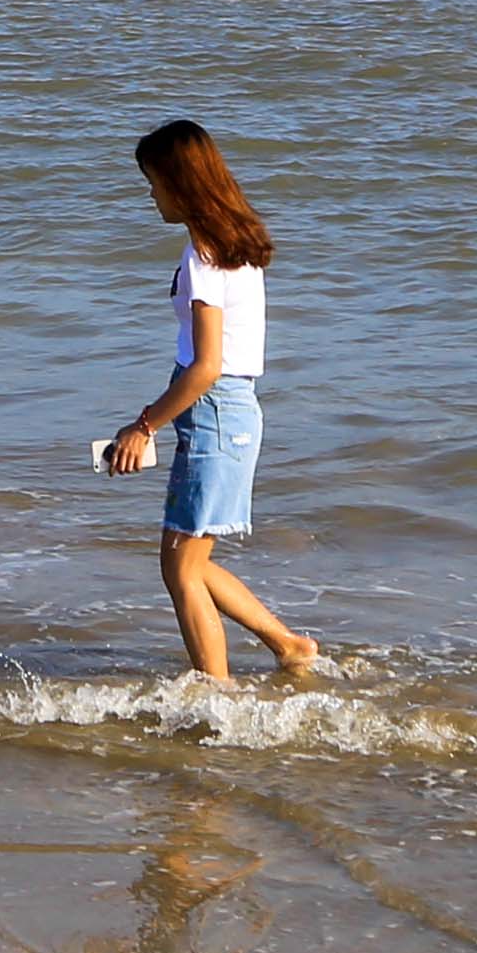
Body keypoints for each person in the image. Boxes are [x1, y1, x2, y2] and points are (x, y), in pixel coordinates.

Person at [102, 119, 322, 687]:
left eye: (153, 182)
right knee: (186, 562)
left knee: (179, 567)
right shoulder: (233, 244)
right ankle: (288, 645)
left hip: (216, 413)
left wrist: (143, 425)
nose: (151, 194)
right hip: (227, 413)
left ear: (180, 181)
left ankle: (216, 692)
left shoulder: (205, 255)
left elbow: (206, 367)